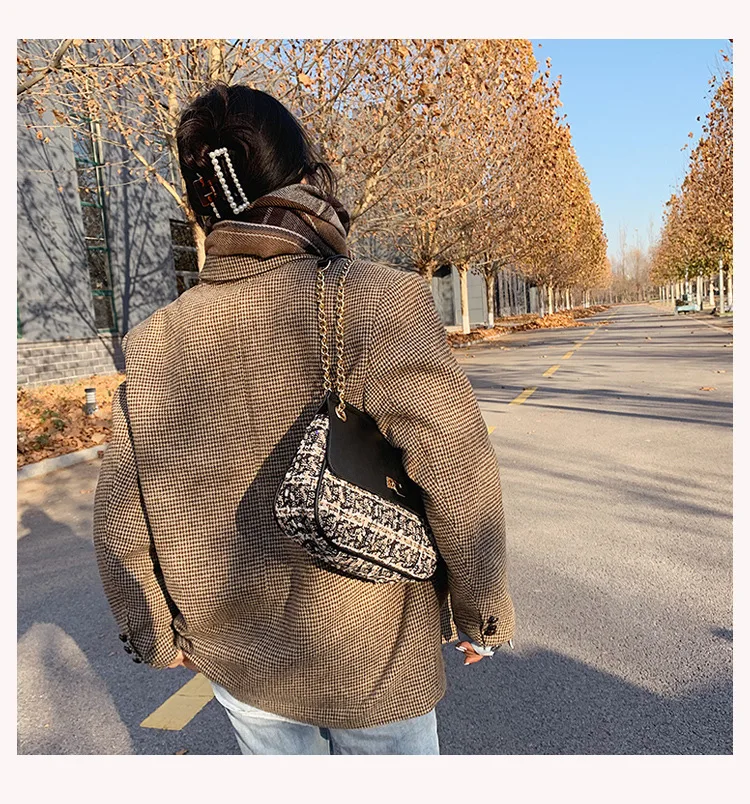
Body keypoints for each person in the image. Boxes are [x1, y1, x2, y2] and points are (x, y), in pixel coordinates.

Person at [93, 84, 514, 756]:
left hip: (237, 656)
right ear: (304, 177)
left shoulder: (154, 341)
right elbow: (456, 467)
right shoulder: (374, 298)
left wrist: (154, 634)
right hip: (371, 655)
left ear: (204, 204)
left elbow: (122, 510)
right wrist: (481, 612)